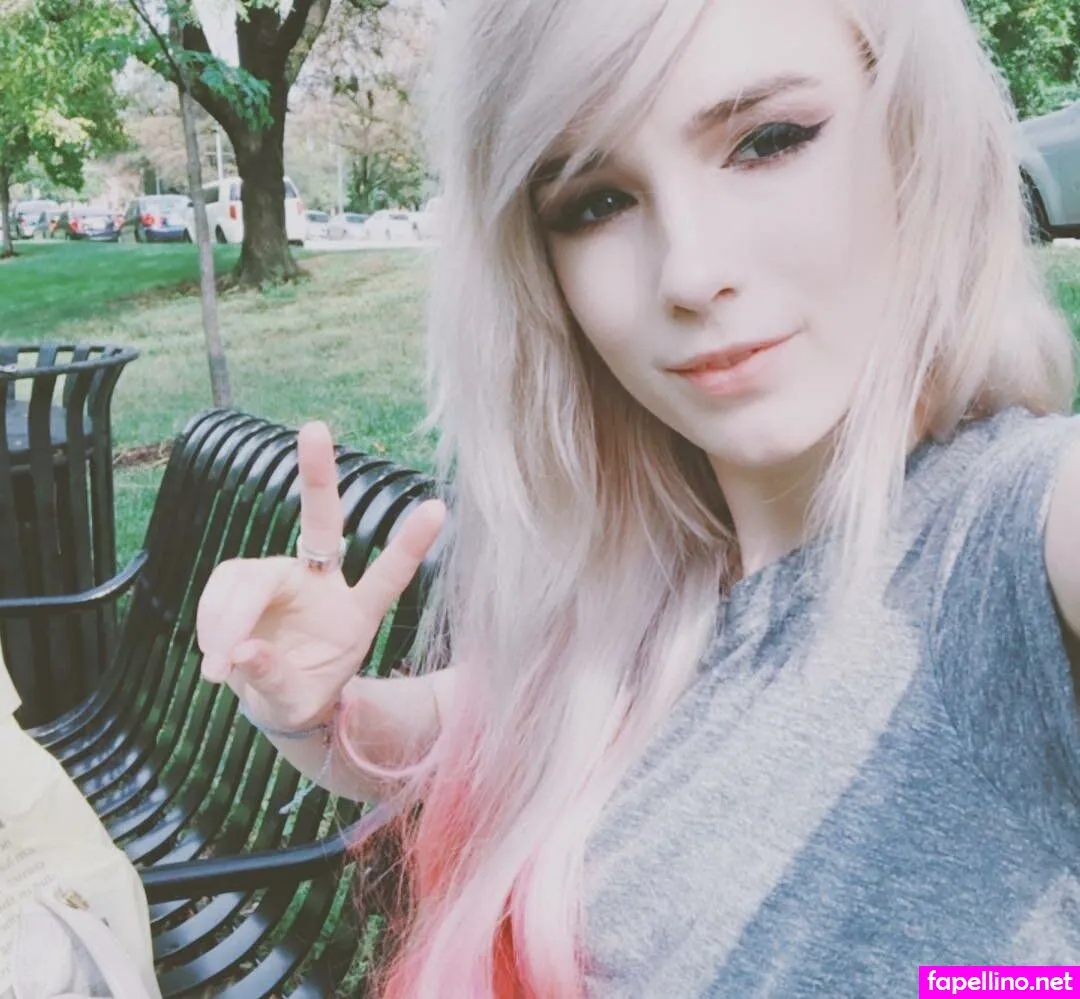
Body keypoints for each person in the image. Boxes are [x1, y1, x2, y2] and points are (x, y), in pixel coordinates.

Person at [196, 0, 1080, 994]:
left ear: (916, 139)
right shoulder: (653, 580)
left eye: (769, 141)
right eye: (596, 202)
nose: (690, 273)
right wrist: (310, 704)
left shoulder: (1008, 542)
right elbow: (471, 724)